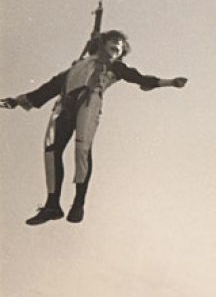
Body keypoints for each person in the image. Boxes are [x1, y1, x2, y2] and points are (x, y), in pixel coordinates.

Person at [1, 30, 187, 225]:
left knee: (82, 147)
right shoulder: (77, 66)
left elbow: (139, 78)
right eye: (114, 41)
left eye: (121, 45)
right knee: (50, 150)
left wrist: (169, 82)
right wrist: (16, 101)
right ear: (102, 43)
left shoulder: (115, 67)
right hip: (65, 105)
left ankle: (78, 202)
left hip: (88, 102)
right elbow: (49, 88)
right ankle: (52, 205)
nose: (118, 46)